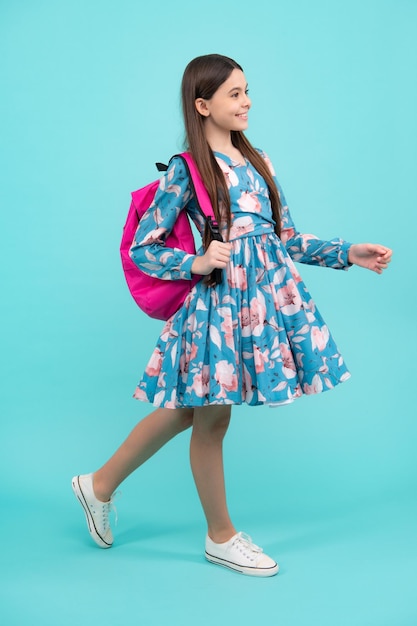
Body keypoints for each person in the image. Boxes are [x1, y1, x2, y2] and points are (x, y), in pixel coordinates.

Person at [72, 54, 392, 577]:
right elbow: (142, 247)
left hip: (263, 303)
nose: (247, 102)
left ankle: (99, 484)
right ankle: (219, 535)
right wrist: (195, 261)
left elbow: (283, 237)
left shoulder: (259, 160)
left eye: (248, 91)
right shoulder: (187, 169)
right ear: (204, 105)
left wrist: (348, 252)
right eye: (234, 94)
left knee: (191, 411)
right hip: (220, 305)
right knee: (212, 416)